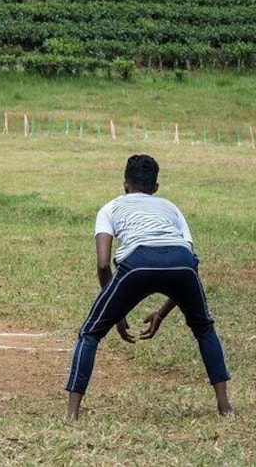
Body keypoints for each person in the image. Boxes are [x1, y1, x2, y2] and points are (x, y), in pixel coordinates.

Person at [65, 154, 234, 420]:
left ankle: (72, 413)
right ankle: (224, 406)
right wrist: (162, 313)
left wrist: (117, 311)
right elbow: (189, 262)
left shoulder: (110, 208)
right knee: (204, 328)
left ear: (124, 185)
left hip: (139, 264)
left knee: (90, 334)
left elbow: (102, 264)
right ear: (156, 188)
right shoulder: (171, 208)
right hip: (182, 264)